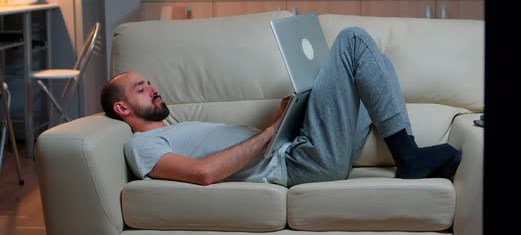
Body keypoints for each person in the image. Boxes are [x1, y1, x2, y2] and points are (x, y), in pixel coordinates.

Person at [101, 27, 461, 187]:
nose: (153, 88)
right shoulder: (142, 145)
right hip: (298, 164)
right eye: (140, 88)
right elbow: (204, 174)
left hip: (301, 148)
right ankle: (409, 157)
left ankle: (408, 153)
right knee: (352, 39)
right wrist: (272, 130)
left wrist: (293, 115)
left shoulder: (175, 129)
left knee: (372, 62)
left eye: (149, 83)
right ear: (122, 109)